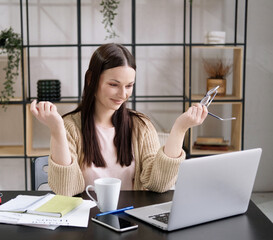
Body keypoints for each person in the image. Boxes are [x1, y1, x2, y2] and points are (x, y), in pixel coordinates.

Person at [30, 43, 208, 196]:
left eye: (129, 86)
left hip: (131, 221)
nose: (123, 95)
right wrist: (57, 130)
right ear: (92, 79)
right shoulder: (69, 127)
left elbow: (158, 184)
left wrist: (180, 128)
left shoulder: (141, 126)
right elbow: (65, 190)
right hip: (85, 225)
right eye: (113, 85)